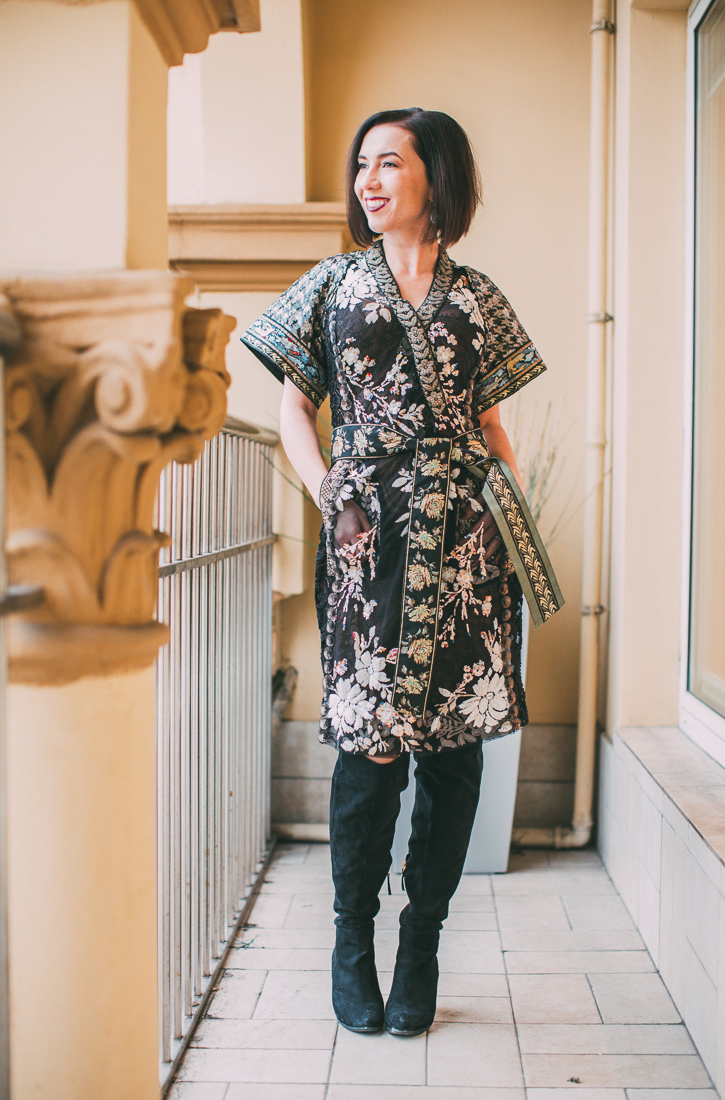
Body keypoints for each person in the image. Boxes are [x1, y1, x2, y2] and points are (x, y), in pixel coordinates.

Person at [242, 108, 562, 1038]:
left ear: (436, 177)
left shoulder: (477, 296)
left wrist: (510, 527)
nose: (368, 182)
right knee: (369, 747)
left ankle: (420, 941)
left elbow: (493, 424)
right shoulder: (333, 284)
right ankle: (353, 944)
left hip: (466, 544)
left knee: (453, 752)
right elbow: (294, 405)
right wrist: (325, 489)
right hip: (365, 540)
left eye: (390, 163)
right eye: (361, 167)